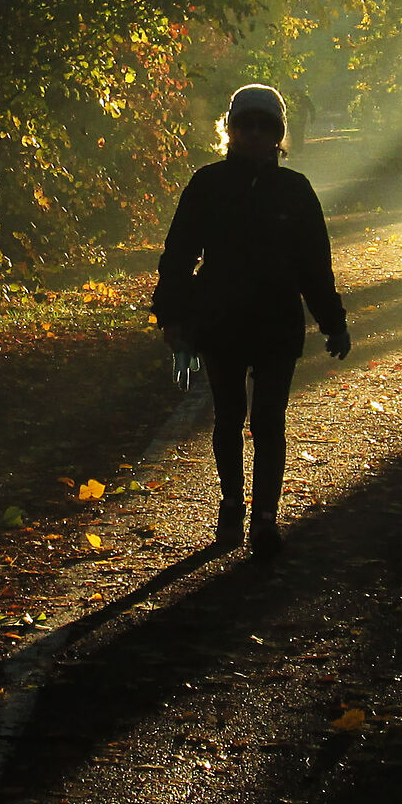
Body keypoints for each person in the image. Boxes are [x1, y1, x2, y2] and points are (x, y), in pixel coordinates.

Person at [152, 85, 350, 552]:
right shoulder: (208, 184)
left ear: (280, 134)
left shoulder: (296, 191)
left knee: (268, 419)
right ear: (232, 129)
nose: (256, 133)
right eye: (247, 124)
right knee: (228, 417)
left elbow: (314, 266)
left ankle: (263, 516)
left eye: (267, 125)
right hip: (221, 321)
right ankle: (231, 506)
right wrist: (172, 316)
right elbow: (178, 253)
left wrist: (332, 320)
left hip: (278, 323)